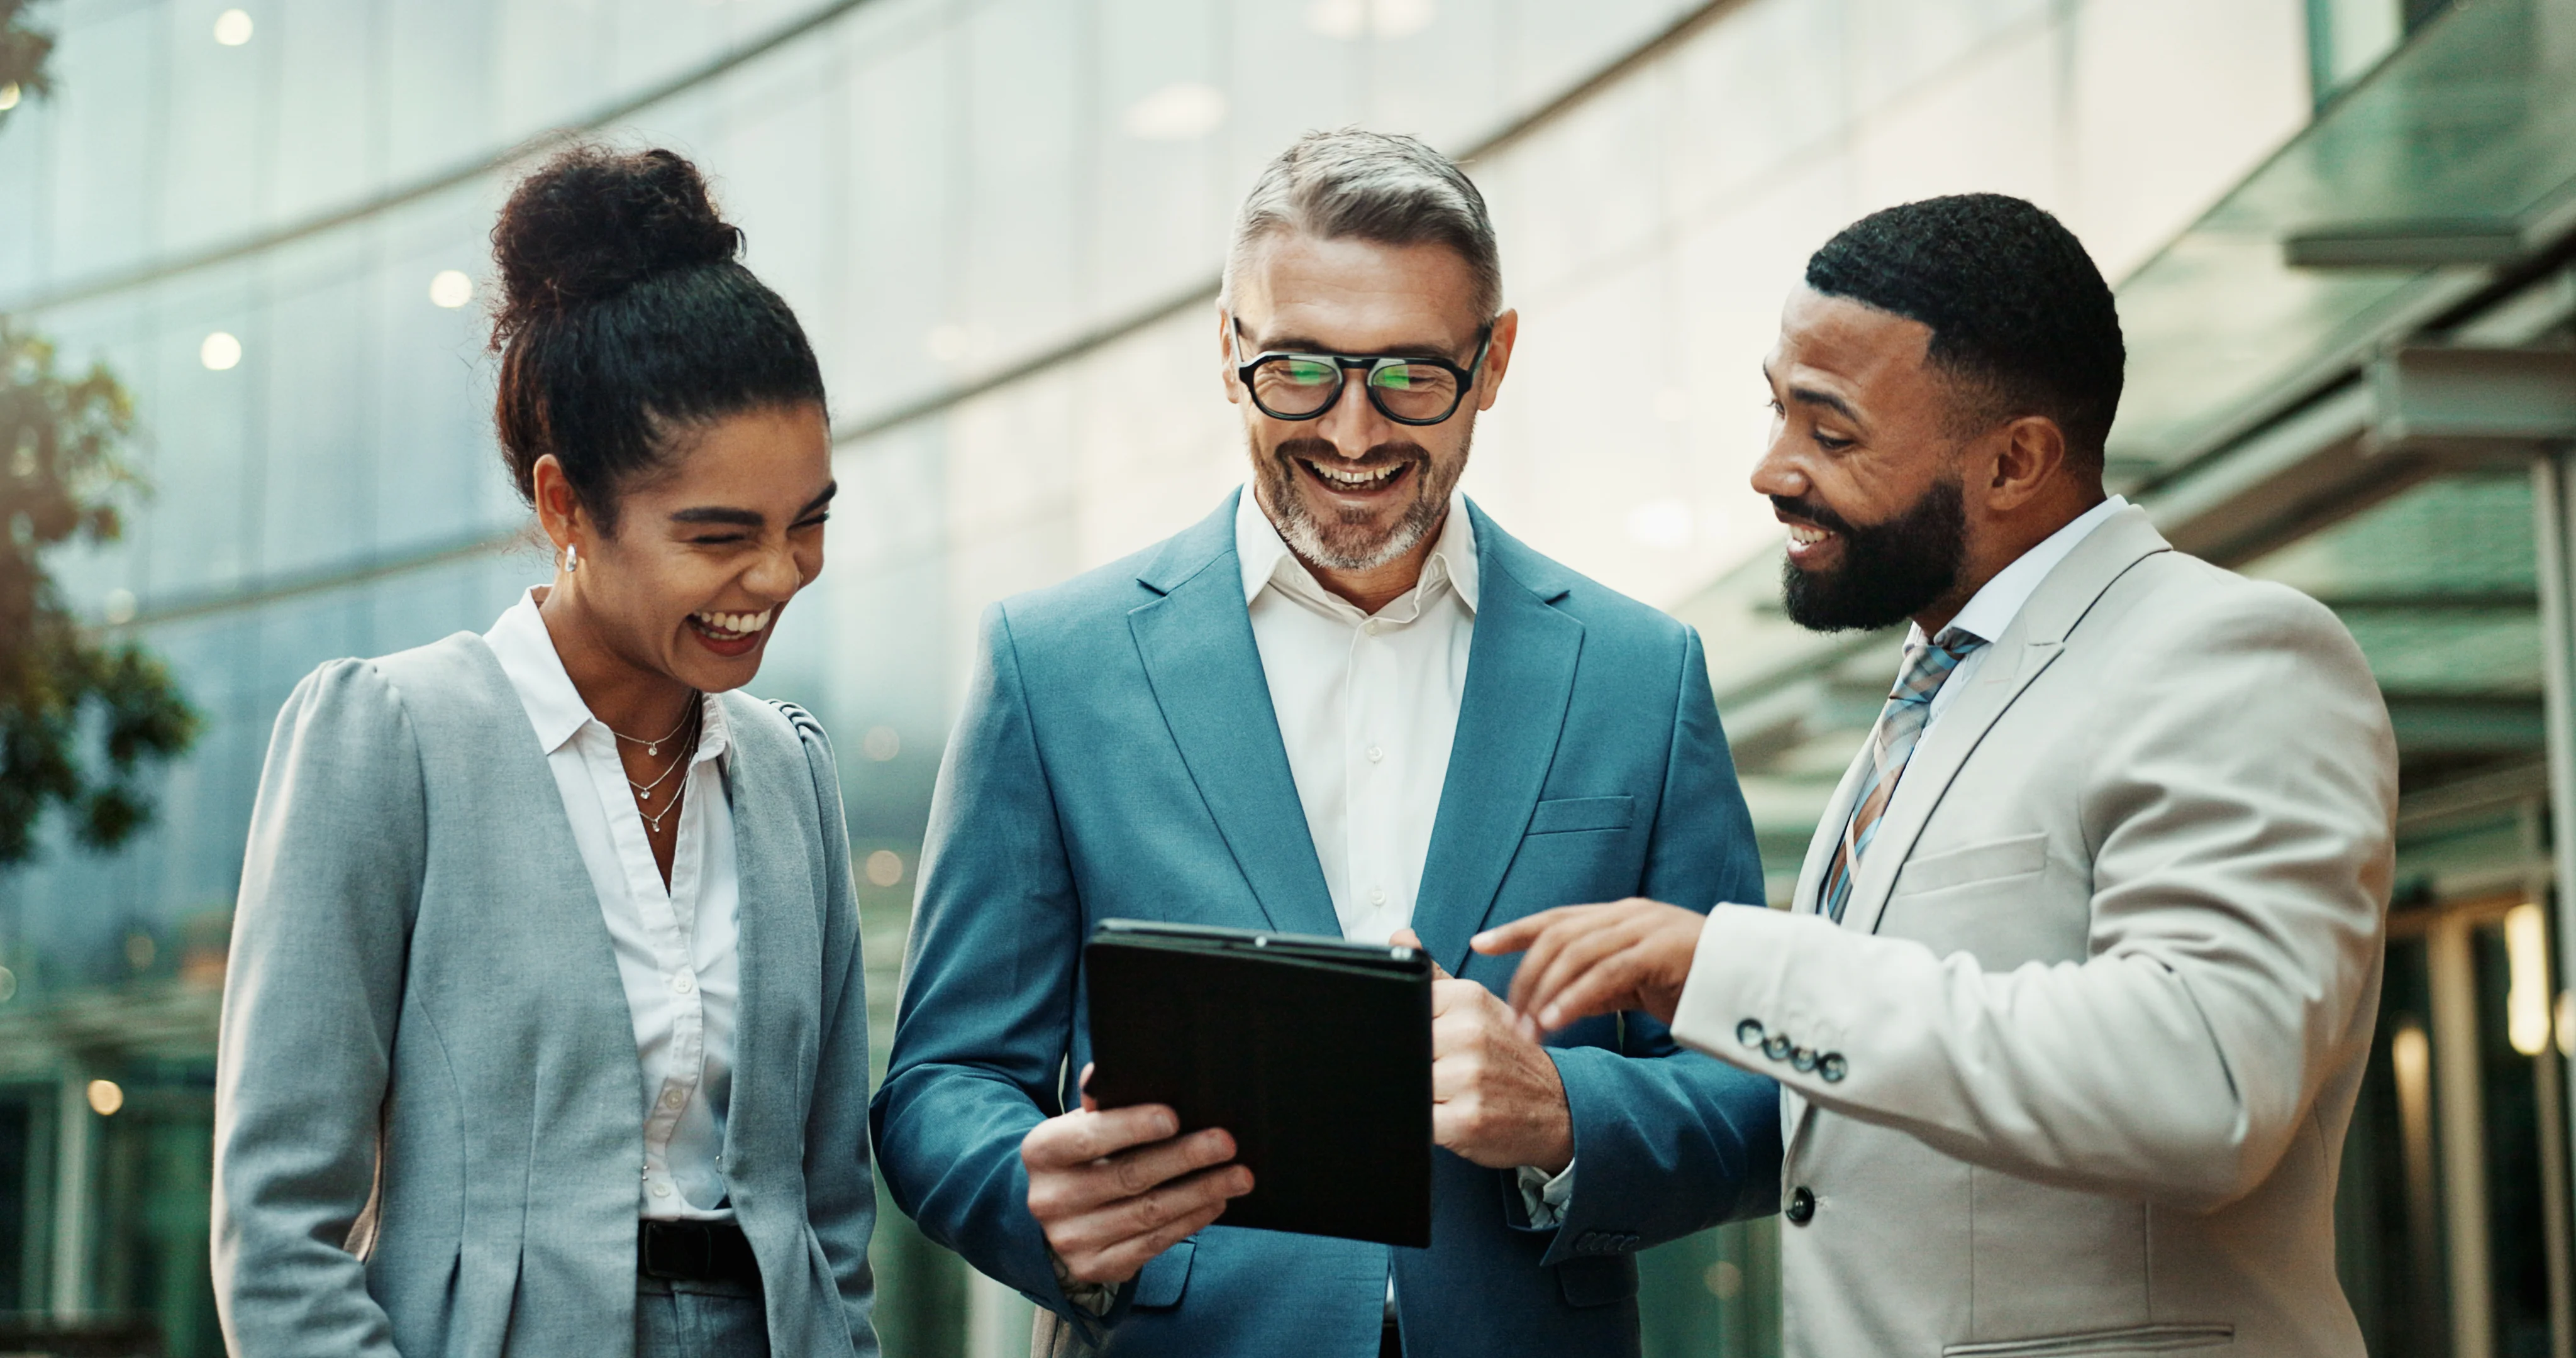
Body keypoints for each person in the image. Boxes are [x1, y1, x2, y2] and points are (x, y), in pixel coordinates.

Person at [870, 129, 1778, 1358]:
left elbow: (1757, 1097)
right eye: (1296, 371)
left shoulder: (1637, 674)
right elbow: (941, 1080)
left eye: (1411, 377)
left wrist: (1568, 1112)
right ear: (1227, 352)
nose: (1351, 435)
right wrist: (1029, 1192)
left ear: (1495, 358)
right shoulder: (1054, 666)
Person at [1478, 193, 2396, 1357]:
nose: (1772, 470)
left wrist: (1745, 967)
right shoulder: (1937, 685)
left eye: (1833, 431)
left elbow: (2204, 1081)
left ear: (2015, 461)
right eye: (1777, 409)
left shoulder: (2231, 655)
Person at [213, 146, 878, 1358]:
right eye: (721, 535)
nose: (778, 576)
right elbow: (277, 1236)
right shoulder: (391, 743)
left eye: (809, 521)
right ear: (567, 506)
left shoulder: (791, 772)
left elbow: (830, 1206)